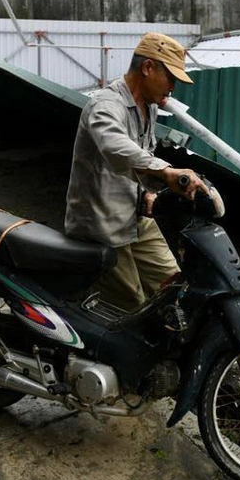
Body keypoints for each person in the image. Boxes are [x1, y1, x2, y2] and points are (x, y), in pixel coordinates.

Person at [65, 32, 207, 312]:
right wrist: (166, 172)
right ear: (148, 68)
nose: (173, 88)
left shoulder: (148, 108)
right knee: (131, 306)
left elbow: (141, 158)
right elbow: (116, 146)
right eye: (171, 78)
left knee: (174, 285)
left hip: (135, 218)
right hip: (102, 226)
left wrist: (147, 195)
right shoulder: (105, 106)